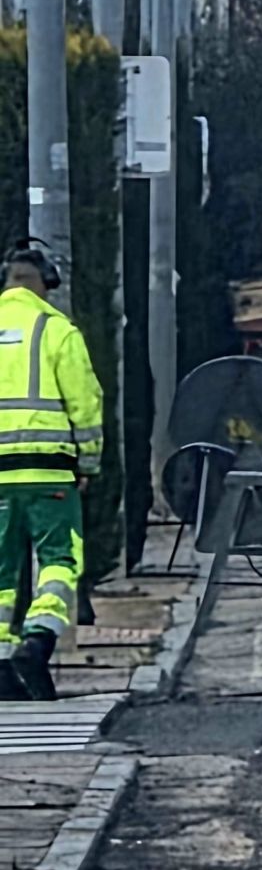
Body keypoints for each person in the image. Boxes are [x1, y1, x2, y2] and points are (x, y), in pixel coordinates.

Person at [0, 243, 103, 700]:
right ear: (44, 283)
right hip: (49, 472)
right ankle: (37, 642)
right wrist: (91, 462)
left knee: (2, 574)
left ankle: (4, 668)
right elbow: (85, 404)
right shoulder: (58, 331)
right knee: (59, 562)